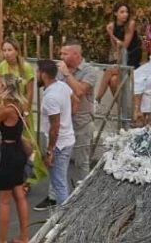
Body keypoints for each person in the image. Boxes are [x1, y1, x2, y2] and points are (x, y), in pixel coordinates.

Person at [0, 76, 30, 243]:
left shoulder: (7, 109)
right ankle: (24, 237)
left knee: (4, 201)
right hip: (18, 150)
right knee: (19, 195)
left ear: (6, 89)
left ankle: (1, 240)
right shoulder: (21, 105)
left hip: (9, 153)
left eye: (1, 86)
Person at [56, 40, 100, 189]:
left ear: (76, 54)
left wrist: (67, 74)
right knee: (59, 160)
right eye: (61, 53)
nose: (61, 56)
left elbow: (80, 91)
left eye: (65, 53)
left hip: (82, 122)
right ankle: (53, 196)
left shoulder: (90, 71)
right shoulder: (60, 70)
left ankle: (84, 193)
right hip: (63, 122)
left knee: (82, 162)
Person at [34, 60, 74, 211]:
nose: (36, 75)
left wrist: (50, 151)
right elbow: (74, 101)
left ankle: (63, 219)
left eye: (37, 72)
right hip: (67, 139)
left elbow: (54, 126)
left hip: (59, 144)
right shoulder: (62, 86)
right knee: (60, 180)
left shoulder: (50, 98)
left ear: (43, 74)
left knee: (59, 183)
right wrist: (67, 121)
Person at [97, 2, 140, 103]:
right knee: (113, 81)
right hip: (122, 59)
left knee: (108, 71)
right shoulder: (112, 26)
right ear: (116, 13)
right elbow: (116, 47)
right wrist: (117, 56)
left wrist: (110, 34)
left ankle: (97, 99)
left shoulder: (131, 23)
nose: (125, 14)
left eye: (126, 12)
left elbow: (125, 45)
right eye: (122, 12)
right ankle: (122, 108)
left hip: (131, 58)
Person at [0, 40, 35, 112]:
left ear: (17, 52)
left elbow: (30, 92)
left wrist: (26, 111)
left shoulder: (26, 67)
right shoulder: (3, 64)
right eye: (4, 50)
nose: (6, 53)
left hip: (21, 107)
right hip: (6, 107)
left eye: (9, 50)